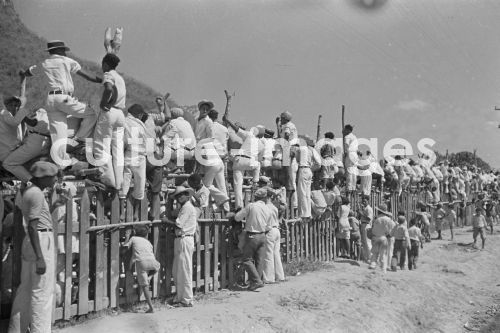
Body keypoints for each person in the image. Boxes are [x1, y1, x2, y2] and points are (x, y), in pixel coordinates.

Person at [8, 161, 58, 333]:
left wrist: (54, 206)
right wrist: (40, 257)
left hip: (31, 241)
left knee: (26, 289)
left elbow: (34, 217)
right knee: (42, 293)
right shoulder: (37, 194)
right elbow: (33, 225)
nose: (55, 180)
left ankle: (16, 329)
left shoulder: (27, 192)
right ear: (43, 178)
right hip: (41, 241)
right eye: (52, 177)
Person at [37, 40, 102, 167]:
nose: (65, 52)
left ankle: (61, 165)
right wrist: (103, 80)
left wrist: (23, 74)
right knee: (90, 114)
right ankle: (79, 139)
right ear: (59, 50)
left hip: (50, 100)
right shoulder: (66, 61)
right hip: (64, 97)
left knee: (58, 135)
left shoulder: (44, 63)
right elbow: (88, 76)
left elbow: (29, 71)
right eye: (64, 50)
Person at [92, 53, 126, 190]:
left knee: (102, 145)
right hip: (120, 114)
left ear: (105, 64)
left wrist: (103, 102)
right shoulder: (120, 78)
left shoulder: (108, 74)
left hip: (109, 112)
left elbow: (108, 88)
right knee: (118, 150)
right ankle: (119, 182)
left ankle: (108, 180)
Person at [161, 186, 197, 307]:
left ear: (187, 195)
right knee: (177, 270)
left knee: (185, 270)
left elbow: (179, 225)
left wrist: (166, 221)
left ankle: (187, 299)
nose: (179, 197)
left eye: (182, 194)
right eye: (177, 196)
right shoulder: (184, 208)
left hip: (184, 238)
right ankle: (180, 297)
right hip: (181, 239)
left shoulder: (187, 208)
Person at [234, 188, 272, 291]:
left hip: (252, 236)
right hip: (263, 236)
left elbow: (237, 217)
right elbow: (269, 226)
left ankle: (257, 281)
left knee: (247, 260)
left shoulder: (251, 206)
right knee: (259, 261)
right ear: (265, 198)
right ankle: (255, 283)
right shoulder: (268, 208)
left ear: (255, 197)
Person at [223, 115, 264, 209]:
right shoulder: (262, 145)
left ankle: (239, 206)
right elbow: (259, 159)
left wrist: (228, 120)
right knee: (257, 164)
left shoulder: (249, 135)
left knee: (237, 185)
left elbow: (236, 129)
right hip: (250, 163)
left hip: (238, 161)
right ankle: (255, 182)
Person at [119, 104, 150, 221]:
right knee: (140, 183)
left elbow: (123, 140)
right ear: (140, 114)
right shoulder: (138, 124)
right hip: (139, 155)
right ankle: (135, 212)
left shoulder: (125, 121)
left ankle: (123, 212)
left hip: (129, 153)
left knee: (125, 182)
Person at [121, 225, 160, 313]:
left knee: (144, 286)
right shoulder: (148, 242)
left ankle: (151, 308)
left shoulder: (133, 238)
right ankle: (150, 277)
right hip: (153, 262)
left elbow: (125, 248)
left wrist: (127, 236)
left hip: (141, 263)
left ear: (134, 232)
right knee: (158, 266)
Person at [261, 187, 285, 284]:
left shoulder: (266, 207)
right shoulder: (274, 207)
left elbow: (265, 223)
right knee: (276, 254)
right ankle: (280, 276)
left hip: (270, 231)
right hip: (276, 230)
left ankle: (269, 278)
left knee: (268, 255)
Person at [295, 135, 321, 219]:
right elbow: (318, 163)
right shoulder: (312, 149)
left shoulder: (300, 149)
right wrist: (312, 168)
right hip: (309, 171)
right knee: (307, 193)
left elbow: (297, 160)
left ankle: (303, 214)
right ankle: (308, 213)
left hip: (303, 169)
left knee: (302, 192)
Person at [369, 203, 395, 272]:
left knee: (375, 253)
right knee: (383, 254)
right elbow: (393, 227)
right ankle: (383, 268)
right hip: (384, 238)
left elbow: (373, 229)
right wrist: (389, 234)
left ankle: (373, 264)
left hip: (376, 237)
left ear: (379, 211)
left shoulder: (376, 219)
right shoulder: (388, 220)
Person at [343, 124, 358, 193]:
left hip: (350, 153)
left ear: (348, 130)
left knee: (349, 170)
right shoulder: (355, 137)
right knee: (354, 171)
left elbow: (346, 146)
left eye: (345, 129)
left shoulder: (347, 137)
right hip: (355, 154)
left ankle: (349, 187)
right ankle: (353, 187)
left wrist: (345, 155)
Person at [358, 195, 373, 262]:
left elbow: (369, 218)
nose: (363, 202)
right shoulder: (364, 208)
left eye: (365, 201)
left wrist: (361, 214)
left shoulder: (368, 209)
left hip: (367, 225)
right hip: (363, 224)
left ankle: (370, 257)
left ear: (368, 201)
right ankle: (366, 257)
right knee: (364, 242)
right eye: (362, 201)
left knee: (367, 242)